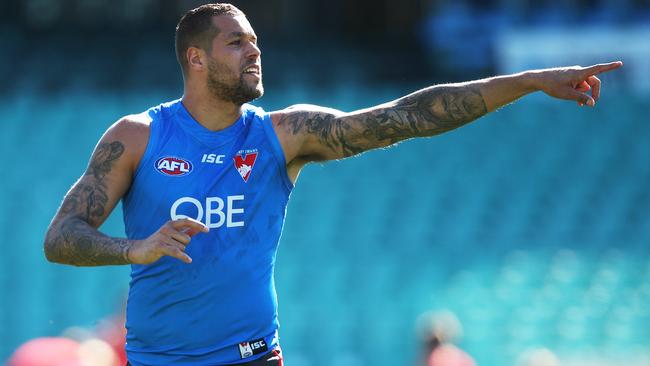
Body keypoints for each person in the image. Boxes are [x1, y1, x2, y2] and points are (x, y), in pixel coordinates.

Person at [43, 3, 622, 365]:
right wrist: (135, 249)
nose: (255, 48)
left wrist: (525, 81)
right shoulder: (138, 136)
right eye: (236, 41)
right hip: (157, 363)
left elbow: (407, 116)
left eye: (254, 39)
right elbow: (60, 236)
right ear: (195, 58)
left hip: (253, 358)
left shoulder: (282, 135)